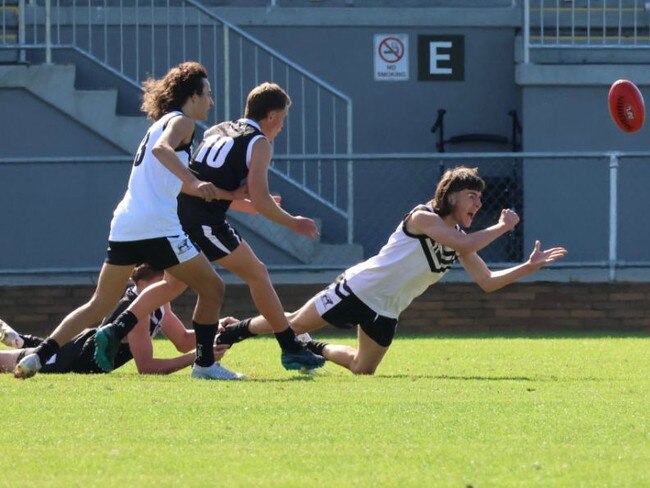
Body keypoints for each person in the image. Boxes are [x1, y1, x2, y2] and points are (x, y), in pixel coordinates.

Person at [215, 166, 568, 375]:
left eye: (479, 198)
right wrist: (503, 228)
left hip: (387, 309)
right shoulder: (424, 217)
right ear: (452, 195)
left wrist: (528, 267)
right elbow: (463, 245)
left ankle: (315, 347)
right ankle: (235, 329)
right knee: (289, 324)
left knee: (362, 369)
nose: (478, 203)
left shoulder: (461, 236)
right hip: (359, 289)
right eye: (472, 196)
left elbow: (487, 282)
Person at [15, 61, 241, 380]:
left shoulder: (159, 124)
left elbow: (174, 173)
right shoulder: (183, 122)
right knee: (213, 287)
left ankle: (39, 355)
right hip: (157, 226)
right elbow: (164, 152)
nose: (211, 101)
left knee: (99, 303)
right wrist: (194, 182)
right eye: (208, 94)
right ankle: (205, 365)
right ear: (192, 96)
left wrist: (222, 192)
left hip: (125, 224)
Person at [93, 82, 325, 373]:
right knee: (256, 274)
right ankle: (290, 348)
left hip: (179, 214)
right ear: (272, 116)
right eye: (282, 119)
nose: (280, 127)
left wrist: (243, 202)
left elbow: (204, 183)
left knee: (172, 284)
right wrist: (294, 223)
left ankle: (116, 329)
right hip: (204, 221)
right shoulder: (260, 143)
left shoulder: (218, 130)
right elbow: (262, 200)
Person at [0, 264, 240, 377]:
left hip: (78, 348)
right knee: (7, 362)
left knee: (23, 348)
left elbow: (182, 339)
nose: (170, 289)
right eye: (163, 283)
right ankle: (18, 340)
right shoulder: (139, 311)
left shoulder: (160, 302)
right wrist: (196, 358)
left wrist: (213, 329)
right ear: (142, 285)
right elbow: (146, 367)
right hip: (68, 359)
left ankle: (16, 339)